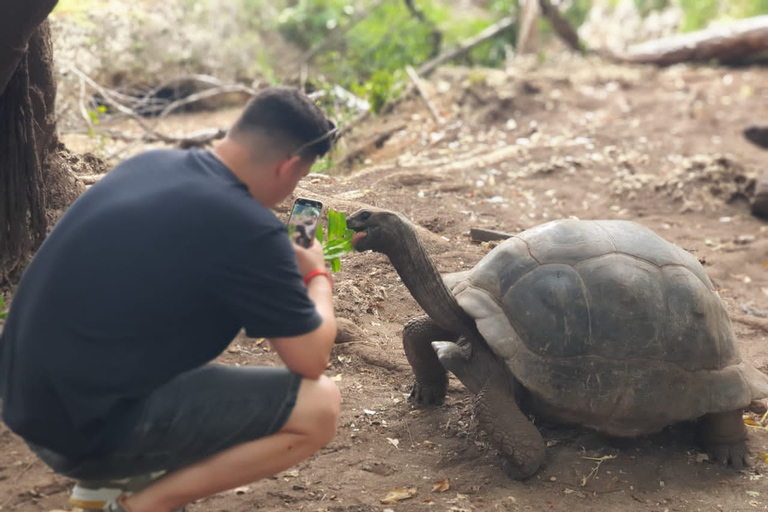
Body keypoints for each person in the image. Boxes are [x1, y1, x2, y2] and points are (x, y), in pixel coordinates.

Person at [0, 86, 341, 512]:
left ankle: (106, 488)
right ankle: (144, 504)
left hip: (27, 401)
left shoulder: (154, 164)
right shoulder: (248, 229)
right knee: (319, 406)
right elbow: (311, 359)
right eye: (300, 175)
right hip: (79, 434)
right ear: (288, 166)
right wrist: (315, 273)